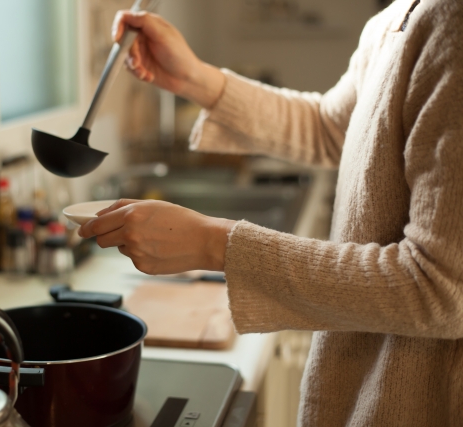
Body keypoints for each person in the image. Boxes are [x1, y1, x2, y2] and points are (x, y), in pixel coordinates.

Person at [78, 0, 463, 425]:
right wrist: (195, 78)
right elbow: (330, 125)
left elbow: (443, 288)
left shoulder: (451, 21)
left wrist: (215, 243)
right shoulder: (400, 16)